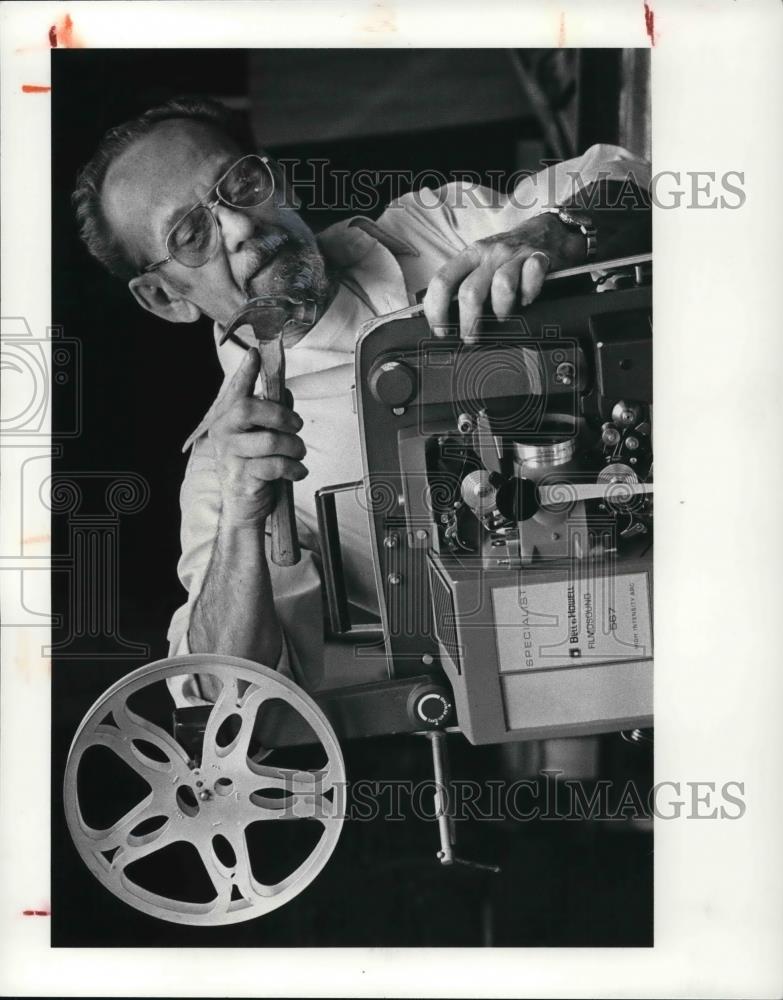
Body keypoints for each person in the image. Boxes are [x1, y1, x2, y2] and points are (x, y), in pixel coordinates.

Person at [72, 96, 651, 703]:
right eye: (192, 234)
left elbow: (631, 179)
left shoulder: (432, 230)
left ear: (276, 177)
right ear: (166, 298)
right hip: (610, 637)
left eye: (240, 184)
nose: (241, 226)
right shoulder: (232, 474)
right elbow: (218, 699)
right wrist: (245, 526)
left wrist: (555, 232)